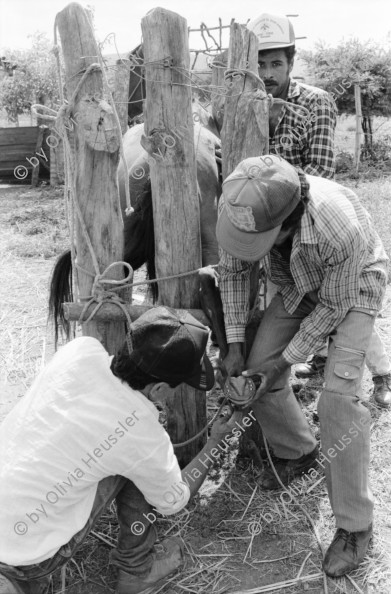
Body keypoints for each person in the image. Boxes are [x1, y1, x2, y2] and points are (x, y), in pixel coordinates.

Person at [216, 155, 388, 577]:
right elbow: (234, 272)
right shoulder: (243, 207)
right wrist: (236, 344)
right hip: (299, 284)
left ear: (287, 224)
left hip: (352, 289)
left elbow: (332, 308)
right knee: (256, 370)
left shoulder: (337, 225)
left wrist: (283, 363)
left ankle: (354, 526)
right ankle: (299, 451)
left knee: (338, 400)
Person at [0, 307, 237, 594]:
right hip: (25, 558)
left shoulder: (80, 350)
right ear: (160, 389)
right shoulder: (139, 433)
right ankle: (136, 570)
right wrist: (215, 443)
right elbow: (174, 500)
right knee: (143, 471)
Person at [246, 12, 391, 406]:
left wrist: (273, 198)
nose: (268, 72)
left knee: (342, 298)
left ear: (291, 63)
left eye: (276, 62)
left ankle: (381, 374)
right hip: (273, 233)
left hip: (317, 222)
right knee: (287, 298)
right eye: (260, 63)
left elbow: (321, 171)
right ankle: (291, 373)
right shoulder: (245, 107)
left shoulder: (316, 102)